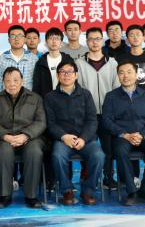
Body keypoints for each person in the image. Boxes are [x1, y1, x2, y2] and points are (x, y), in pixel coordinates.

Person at [102, 60, 145, 206]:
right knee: (119, 151)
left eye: (129, 72)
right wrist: (125, 135)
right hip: (123, 136)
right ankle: (131, 192)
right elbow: (107, 121)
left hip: (144, 136)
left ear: (136, 75)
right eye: (121, 73)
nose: (126, 76)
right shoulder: (111, 96)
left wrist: (142, 135)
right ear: (118, 76)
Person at [44, 60, 105, 205]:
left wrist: (83, 138)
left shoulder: (85, 94)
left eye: (70, 72)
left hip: (85, 140)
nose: (66, 75)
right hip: (63, 140)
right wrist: (63, 136)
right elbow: (50, 124)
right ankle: (67, 190)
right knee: (57, 156)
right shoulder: (50, 97)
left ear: (76, 75)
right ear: (57, 75)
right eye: (62, 72)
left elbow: (92, 120)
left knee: (99, 155)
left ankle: (88, 191)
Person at [0, 67, 46, 209]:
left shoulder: (35, 98)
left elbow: (41, 122)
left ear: (22, 81)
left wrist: (25, 135)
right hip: (5, 139)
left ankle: (31, 196)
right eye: (8, 81)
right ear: (3, 82)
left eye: (15, 80)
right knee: (4, 151)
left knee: (34, 151)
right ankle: (5, 195)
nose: (12, 84)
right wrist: (5, 136)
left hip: (30, 138)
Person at [76, 27, 121, 189]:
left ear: (102, 41)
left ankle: (109, 177)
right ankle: (89, 178)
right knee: (88, 147)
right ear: (86, 41)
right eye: (91, 39)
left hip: (108, 114)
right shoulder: (79, 64)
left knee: (108, 149)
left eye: (97, 39)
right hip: (87, 115)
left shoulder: (112, 63)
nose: (94, 42)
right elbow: (78, 90)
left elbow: (117, 89)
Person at [117, 25, 145, 99]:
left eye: (138, 34)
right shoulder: (121, 58)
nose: (135, 37)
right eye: (132, 35)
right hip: (125, 99)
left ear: (143, 38)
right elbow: (118, 81)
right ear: (127, 40)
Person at [32, 27, 74, 98]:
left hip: (66, 99)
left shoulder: (68, 60)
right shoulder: (40, 62)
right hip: (46, 100)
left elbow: (74, 81)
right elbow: (36, 86)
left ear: (61, 42)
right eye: (51, 38)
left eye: (57, 38)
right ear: (46, 42)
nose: (54, 41)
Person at [0, 25, 38, 92]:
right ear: (9, 40)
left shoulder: (33, 59)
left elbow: (36, 83)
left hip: (28, 97)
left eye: (20, 36)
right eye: (13, 36)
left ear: (25, 39)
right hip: (7, 97)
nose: (16, 39)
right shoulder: (1, 59)